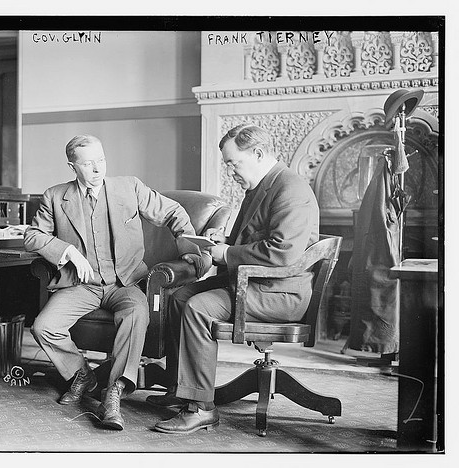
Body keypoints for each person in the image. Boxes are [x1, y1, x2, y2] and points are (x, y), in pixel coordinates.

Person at [24, 134, 205, 431]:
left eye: (101, 160)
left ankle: (115, 391)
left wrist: (187, 246)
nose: (97, 169)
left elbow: (173, 212)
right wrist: (67, 251)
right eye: (88, 163)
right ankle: (81, 375)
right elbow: (33, 236)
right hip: (81, 286)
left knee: (136, 313)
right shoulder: (56, 196)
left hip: (125, 284)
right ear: (73, 167)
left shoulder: (129, 187)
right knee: (44, 327)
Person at [149, 124, 320, 434]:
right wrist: (221, 239)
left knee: (199, 308)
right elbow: (253, 239)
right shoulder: (262, 187)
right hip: (256, 282)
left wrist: (226, 253)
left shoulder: (291, 189)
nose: (230, 171)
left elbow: (281, 253)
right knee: (180, 297)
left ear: (257, 153)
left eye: (233, 162)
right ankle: (182, 389)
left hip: (279, 292)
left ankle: (201, 407)